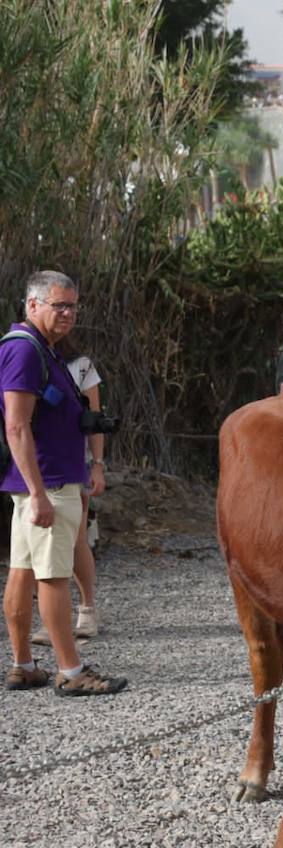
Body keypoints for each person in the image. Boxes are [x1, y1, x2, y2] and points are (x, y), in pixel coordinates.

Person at [2, 271, 126, 697]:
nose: (69, 313)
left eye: (72, 305)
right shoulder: (24, 350)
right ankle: (71, 672)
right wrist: (38, 494)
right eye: (59, 305)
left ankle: (24, 665)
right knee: (51, 576)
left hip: (41, 481)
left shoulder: (43, 350)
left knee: (21, 571)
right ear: (32, 305)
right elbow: (16, 426)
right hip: (47, 482)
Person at [32, 338, 105, 644]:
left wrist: (98, 464)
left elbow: (94, 419)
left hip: (74, 464)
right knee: (37, 546)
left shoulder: (81, 365)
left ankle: (87, 608)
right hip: (33, 465)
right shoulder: (25, 357)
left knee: (74, 539)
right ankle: (51, 617)